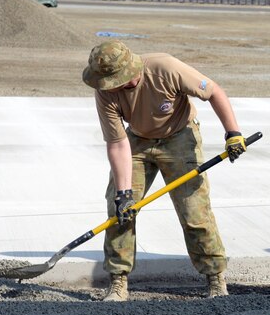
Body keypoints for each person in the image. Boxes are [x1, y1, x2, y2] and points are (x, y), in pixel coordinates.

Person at [82, 40, 247, 301]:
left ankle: (215, 277)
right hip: (136, 140)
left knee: (194, 211)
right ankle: (118, 281)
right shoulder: (105, 89)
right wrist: (124, 193)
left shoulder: (164, 67)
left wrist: (233, 133)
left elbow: (214, 92)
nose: (116, 85)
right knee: (120, 211)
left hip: (179, 135)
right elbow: (116, 142)